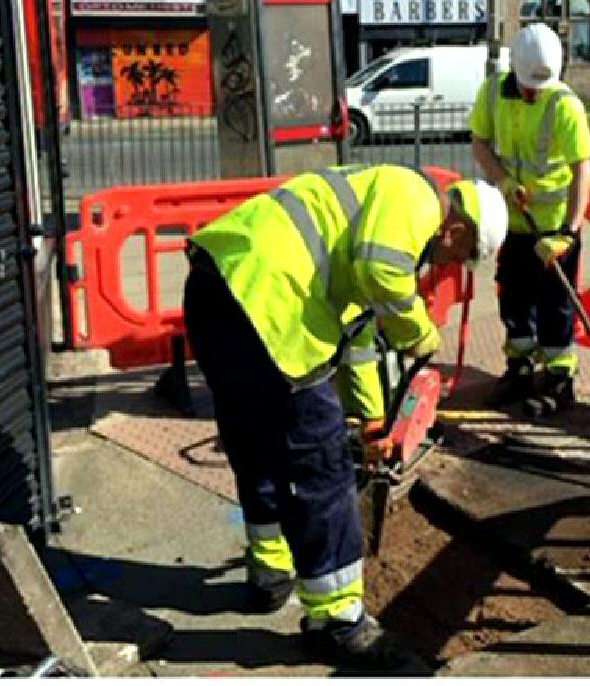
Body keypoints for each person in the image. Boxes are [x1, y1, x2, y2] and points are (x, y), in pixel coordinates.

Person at [182, 164, 508, 666]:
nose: (445, 267)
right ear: (455, 230)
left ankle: (270, 572)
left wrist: (372, 420)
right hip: (272, 304)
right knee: (322, 463)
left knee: (255, 437)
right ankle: (337, 622)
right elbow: (381, 272)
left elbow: (356, 341)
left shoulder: (363, 205)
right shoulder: (414, 197)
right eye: (455, 258)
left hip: (218, 284)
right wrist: (418, 331)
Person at [470, 23, 590, 413]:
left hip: (555, 228)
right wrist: (504, 182)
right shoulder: (493, 92)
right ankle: (520, 368)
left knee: (556, 304)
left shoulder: (564, 104)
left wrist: (569, 232)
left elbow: (582, 170)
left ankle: (559, 380)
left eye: (539, 87)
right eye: (528, 86)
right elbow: (480, 143)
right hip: (512, 224)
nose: (533, 93)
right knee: (513, 299)